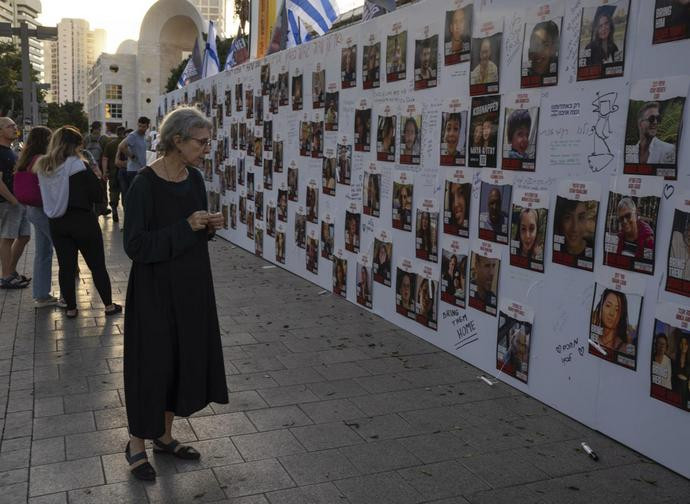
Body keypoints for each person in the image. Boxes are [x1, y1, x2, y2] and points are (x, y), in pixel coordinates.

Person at [122, 107, 228, 481]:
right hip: (154, 291)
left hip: (191, 286)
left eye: (208, 141)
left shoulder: (194, 178)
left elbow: (195, 229)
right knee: (152, 365)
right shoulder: (144, 185)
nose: (206, 148)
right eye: (201, 142)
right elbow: (135, 245)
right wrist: (187, 226)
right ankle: (136, 444)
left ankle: (164, 436)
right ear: (177, 140)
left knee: (179, 361)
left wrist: (208, 226)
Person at [34, 126, 120, 319]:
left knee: (66, 267)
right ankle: (108, 306)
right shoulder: (77, 165)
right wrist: (96, 176)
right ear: (74, 146)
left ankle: (71, 309)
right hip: (82, 221)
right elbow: (97, 195)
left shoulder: (44, 166)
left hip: (57, 223)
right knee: (96, 265)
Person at [13, 126, 59, 305]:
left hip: (32, 209)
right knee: (61, 249)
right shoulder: (41, 159)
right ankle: (65, 295)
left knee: (42, 252)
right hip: (43, 209)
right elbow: (52, 184)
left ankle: (41, 294)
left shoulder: (25, 159)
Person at [0, 117, 31, 289]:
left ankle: (10, 271)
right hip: (8, 202)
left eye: (14, 125)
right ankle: (5, 276)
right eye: (10, 126)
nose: (14, 128)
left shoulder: (10, 150)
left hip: (18, 202)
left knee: (24, 236)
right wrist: (13, 201)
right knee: (7, 237)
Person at [118, 117, 150, 201]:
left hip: (141, 169)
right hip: (133, 170)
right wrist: (131, 156)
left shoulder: (143, 136)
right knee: (134, 196)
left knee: (139, 196)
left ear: (147, 127)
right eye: (139, 126)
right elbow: (121, 146)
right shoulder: (133, 135)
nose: (141, 128)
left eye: (143, 126)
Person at [591, 289, 632, 353]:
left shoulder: (626, 349)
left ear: (621, 314)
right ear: (601, 307)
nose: (611, 313)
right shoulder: (591, 337)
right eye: (608, 305)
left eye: (617, 309)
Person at [83, 121, 110, 216]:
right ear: (99, 128)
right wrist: (106, 170)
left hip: (88, 168)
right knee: (102, 187)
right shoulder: (104, 139)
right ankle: (103, 207)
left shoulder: (86, 139)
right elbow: (106, 156)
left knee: (89, 188)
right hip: (100, 167)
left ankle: (91, 207)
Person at [103, 126, 126, 221]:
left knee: (113, 191)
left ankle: (114, 208)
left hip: (113, 172)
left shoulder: (110, 144)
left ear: (117, 133)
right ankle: (126, 213)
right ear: (124, 133)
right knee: (125, 191)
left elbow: (105, 159)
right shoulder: (127, 144)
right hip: (125, 171)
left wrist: (105, 172)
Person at [672, 334, 690, 408]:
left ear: (688, 346)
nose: (683, 346)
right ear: (679, 345)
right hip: (675, 389)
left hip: (686, 392)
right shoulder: (673, 358)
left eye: (685, 344)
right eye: (681, 343)